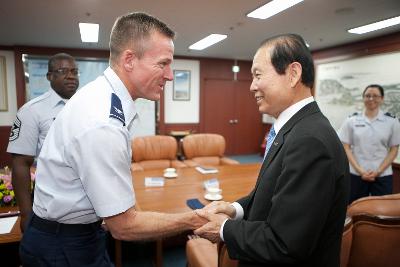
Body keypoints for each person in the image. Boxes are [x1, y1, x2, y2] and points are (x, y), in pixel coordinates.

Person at [19, 12, 205, 267]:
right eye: (163, 64)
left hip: (77, 233)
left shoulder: (103, 97)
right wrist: (194, 219)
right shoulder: (102, 121)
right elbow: (124, 227)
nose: (170, 75)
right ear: (129, 59)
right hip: (63, 247)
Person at [194, 34, 350, 267]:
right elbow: (273, 197)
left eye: (258, 75)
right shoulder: (295, 129)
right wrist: (234, 209)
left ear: (293, 74)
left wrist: (225, 229)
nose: (252, 86)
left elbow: (285, 243)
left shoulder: (309, 141)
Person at [7, 53, 79, 232]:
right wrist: (25, 214)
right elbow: (21, 164)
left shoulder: (85, 107)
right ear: (49, 76)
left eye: (74, 71)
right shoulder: (31, 111)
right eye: (63, 71)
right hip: (52, 209)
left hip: (88, 207)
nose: (70, 76)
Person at [338, 84, 400, 203]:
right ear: (363, 98)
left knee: (383, 210)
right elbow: (346, 147)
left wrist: (378, 171)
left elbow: (394, 149)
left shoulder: (392, 122)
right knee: (354, 208)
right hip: (356, 174)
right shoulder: (351, 120)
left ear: (382, 98)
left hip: (383, 175)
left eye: (375, 96)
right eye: (368, 96)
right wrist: (360, 170)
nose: (371, 99)